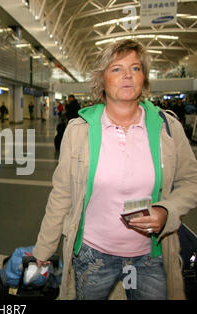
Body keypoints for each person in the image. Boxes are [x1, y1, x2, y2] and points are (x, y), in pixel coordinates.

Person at [32, 39, 197, 300]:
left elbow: (191, 181)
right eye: (117, 69)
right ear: (102, 79)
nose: (128, 76)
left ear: (144, 77)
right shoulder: (79, 131)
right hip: (92, 255)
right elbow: (62, 194)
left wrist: (168, 211)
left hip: (151, 255)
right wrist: (43, 250)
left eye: (135, 68)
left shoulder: (167, 128)